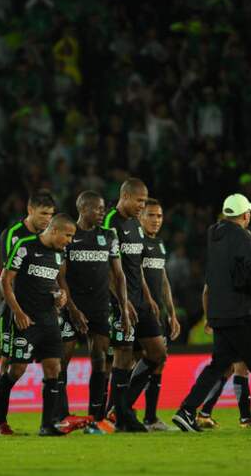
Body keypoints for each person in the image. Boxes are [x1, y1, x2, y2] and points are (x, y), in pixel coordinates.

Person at [172, 194, 251, 433]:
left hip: (220, 313)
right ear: (245, 215)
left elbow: (224, 272)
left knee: (218, 365)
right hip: (244, 313)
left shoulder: (215, 235)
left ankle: (186, 411)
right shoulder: (242, 235)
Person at [0, 214, 77, 437]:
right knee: (16, 370)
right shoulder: (25, 246)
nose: (70, 241)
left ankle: (47, 425)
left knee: (54, 368)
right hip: (26, 319)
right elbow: (4, 280)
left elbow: (52, 282)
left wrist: (59, 295)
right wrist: (18, 312)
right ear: (55, 231)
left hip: (49, 319)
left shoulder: (59, 254)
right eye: (68, 235)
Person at [56, 191, 129, 435]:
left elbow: (118, 275)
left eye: (103, 208)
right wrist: (73, 309)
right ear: (83, 208)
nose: (102, 212)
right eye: (98, 209)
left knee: (100, 362)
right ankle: (61, 417)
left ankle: (95, 419)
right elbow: (61, 276)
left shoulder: (109, 236)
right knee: (60, 364)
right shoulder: (69, 235)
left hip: (100, 308)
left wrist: (124, 308)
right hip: (71, 308)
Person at [0, 190, 56, 435]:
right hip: (15, 309)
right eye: (43, 213)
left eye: (50, 214)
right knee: (8, 363)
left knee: (32, 366)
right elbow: (9, 277)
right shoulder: (13, 235)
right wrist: (18, 309)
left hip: (42, 312)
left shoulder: (50, 237)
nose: (47, 219)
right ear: (30, 210)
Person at [101, 178, 157, 432]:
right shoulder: (110, 222)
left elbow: (137, 267)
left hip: (138, 300)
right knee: (122, 356)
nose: (141, 206)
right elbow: (108, 269)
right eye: (139, 200)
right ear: (125, 196)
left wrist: (148, 297)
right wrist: (123, 302)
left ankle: (119, 408)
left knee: (157, 353)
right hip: (118, 301)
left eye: (144, 201)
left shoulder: (136, 224)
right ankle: (121, 414)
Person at [136, 198, 181, 430]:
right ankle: (118, 412)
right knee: (136, 361)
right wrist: (148, 298)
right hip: (138, 309)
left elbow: (163, 279)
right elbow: (135, 272)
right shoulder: (136, 241)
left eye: (159, 216)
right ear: (140, 216)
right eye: (151, 215)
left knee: (158, 362)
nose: (156, 220)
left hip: (156, 313)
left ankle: (150, 417)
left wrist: (171, 312)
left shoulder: (160, 244)